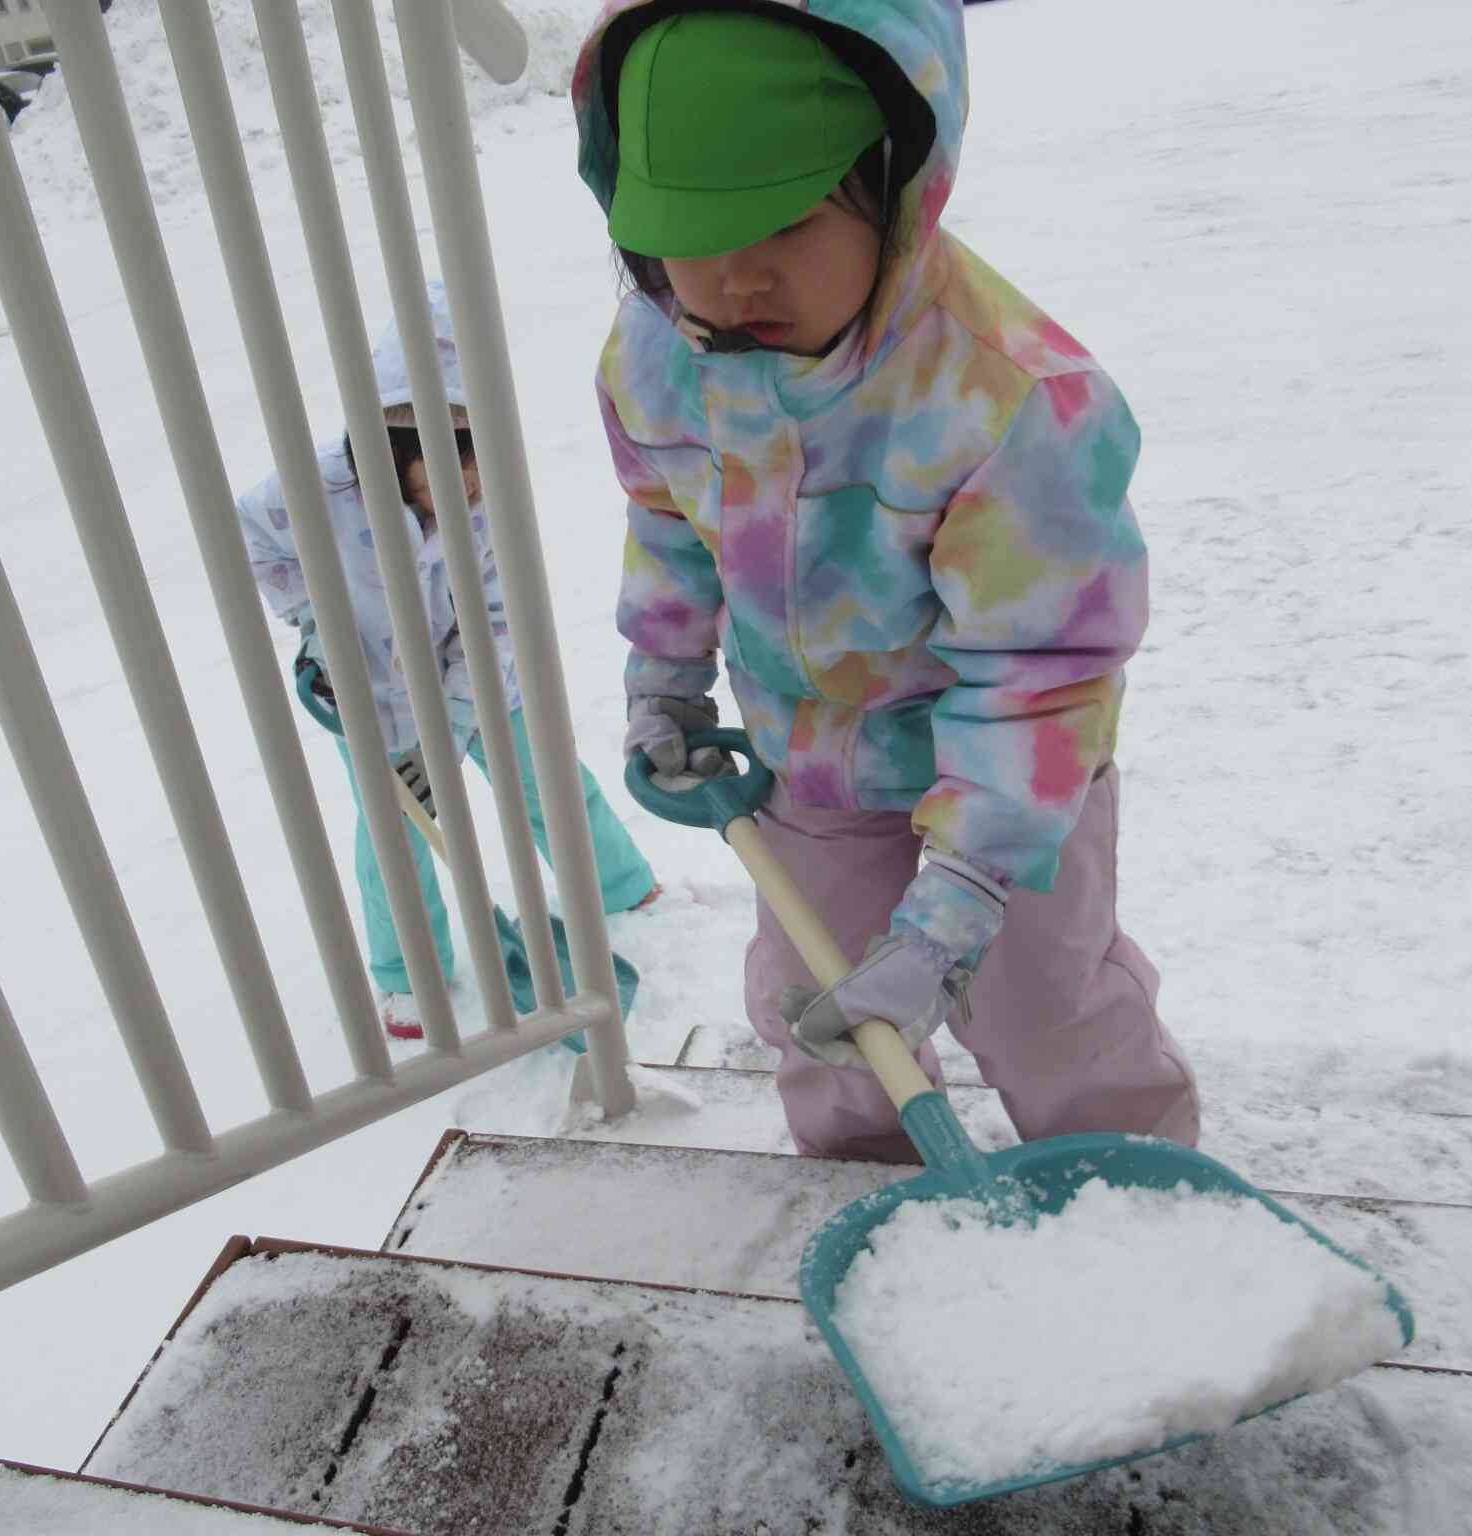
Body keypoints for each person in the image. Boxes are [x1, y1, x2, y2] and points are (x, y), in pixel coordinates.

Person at [573, 3, 1198, 1158]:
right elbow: (664, 516)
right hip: (809, 763)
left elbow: (1038, 674)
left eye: (788, 221)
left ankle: (1131, 1193)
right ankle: (863, 1197)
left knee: (1044, 1008)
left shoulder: (1009, 400)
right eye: (684, 233)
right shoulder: (656, 358)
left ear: (896, 174)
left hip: (1003, 774)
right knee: (818, 1009)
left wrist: (953, 913)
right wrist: (662, 676)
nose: (733, 274)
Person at [238, 284, 660, 1040]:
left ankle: (619, 885)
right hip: (368, 693)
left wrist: (460, 707)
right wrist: (309, 619)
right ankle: (408, 972)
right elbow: (253, 541)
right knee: (394, 835)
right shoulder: (315, 486)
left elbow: (495, 617)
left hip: (485, 682)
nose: (463, 486)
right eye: (443, 467)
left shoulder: (483, 505)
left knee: (549, 783)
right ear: (390, 450)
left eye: (474, 464)